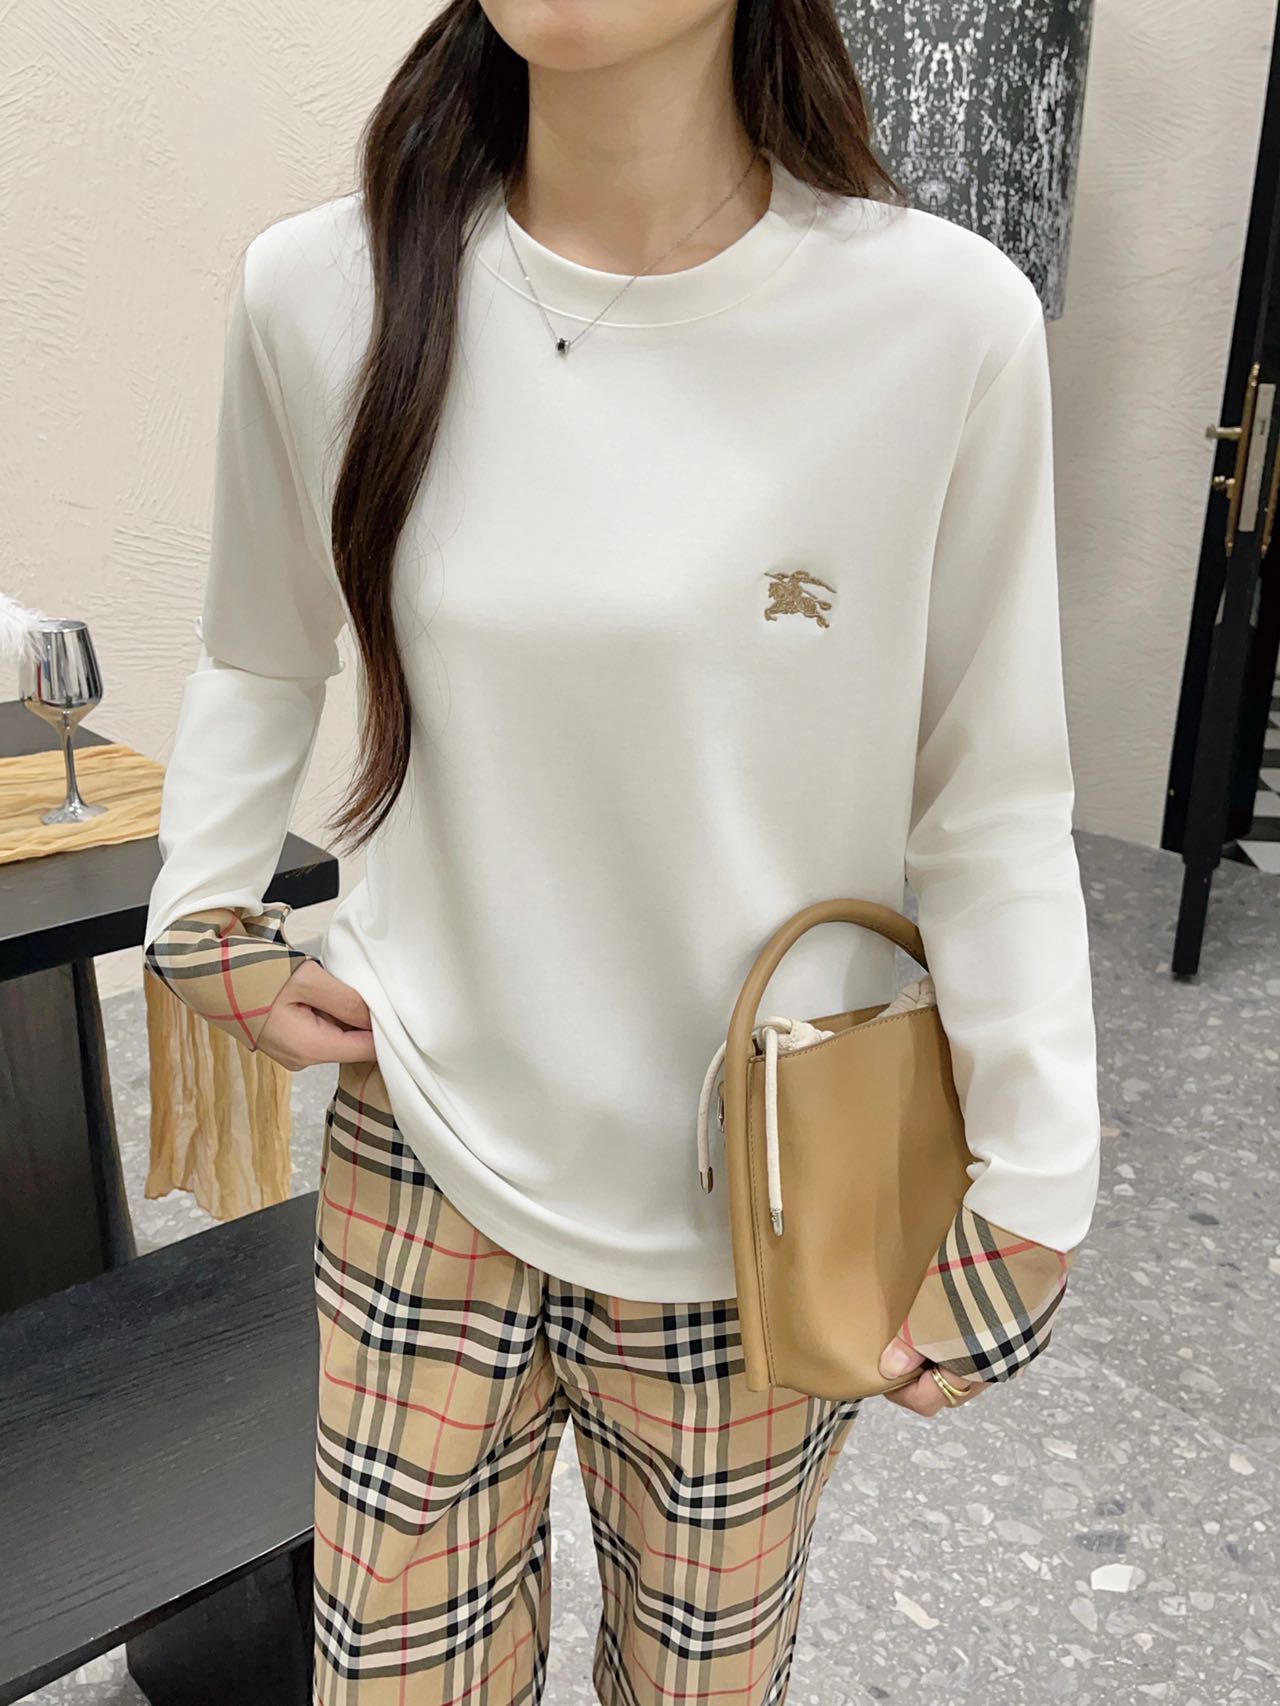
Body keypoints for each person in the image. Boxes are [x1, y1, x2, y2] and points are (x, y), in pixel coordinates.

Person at [143, 1, 1102, 1699]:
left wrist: (1035, 1171)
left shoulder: (941, 325)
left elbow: (991, 786)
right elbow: (260, 643)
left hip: (764, 1195)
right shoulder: (321, 289)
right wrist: (204, 906)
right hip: (425, 1149)